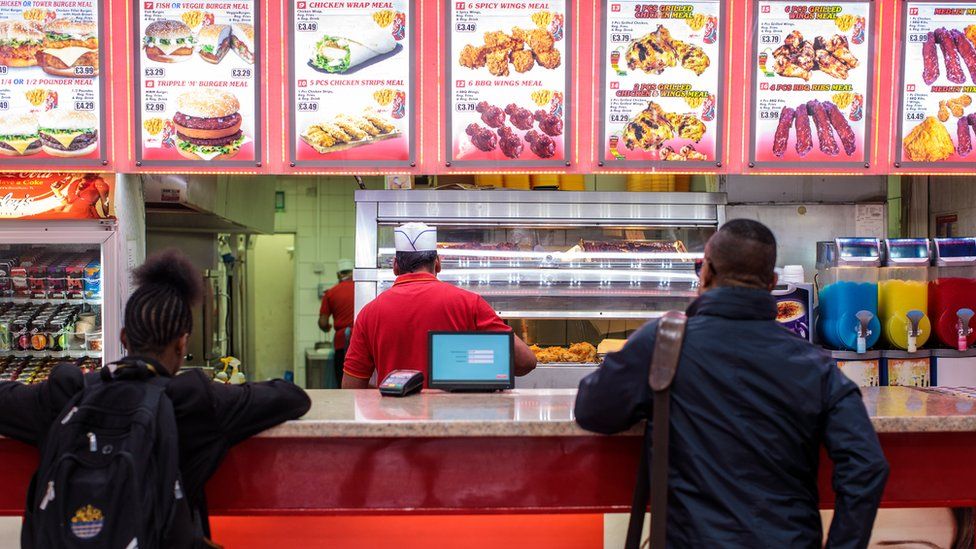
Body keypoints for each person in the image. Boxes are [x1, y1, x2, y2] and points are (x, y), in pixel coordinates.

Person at [575, 219, 889, 548]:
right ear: (772, 283)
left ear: (706, 272)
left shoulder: (663, 343)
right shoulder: (814, 364)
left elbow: (592, 411)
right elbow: (866, 465)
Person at [0, 250, 311, 548]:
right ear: (182, 343)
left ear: (124, 338)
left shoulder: (67, 396)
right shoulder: (193, 401)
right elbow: (293, 398)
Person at [342, 222, 537, 388]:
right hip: (452, 422)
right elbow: (526, 362)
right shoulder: (469, 303)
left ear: (395, 266)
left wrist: (388, 391)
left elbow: (351, 387)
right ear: (438, 263)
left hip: (394, 424)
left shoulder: (369, 313)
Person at [319, 258, 355, 386]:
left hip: (341, 343)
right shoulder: (363, 289)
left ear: (339, 274)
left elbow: (323, 323)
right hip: (362, 341)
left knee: (342, 381)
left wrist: (327, 327)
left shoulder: (330, 293)